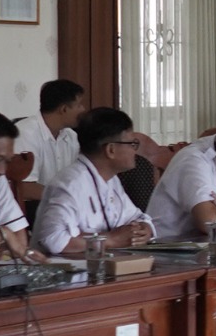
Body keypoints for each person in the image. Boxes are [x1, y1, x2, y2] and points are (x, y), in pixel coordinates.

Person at [32, 107, 156, 256]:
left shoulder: (111, 180)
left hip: (104, 265)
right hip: (63, 269)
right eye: (131, 144)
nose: (134, 150)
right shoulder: (71, 184)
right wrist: (110, 240)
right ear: (111, 150)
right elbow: (53, 239)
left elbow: (136, 217)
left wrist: (144, 229)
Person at [16, 78, 86, 208]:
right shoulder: (26, 133)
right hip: (31, 207)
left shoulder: (71, 136)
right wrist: (66, 196)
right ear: (64, 109)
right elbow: (24, 186)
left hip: (61, 205)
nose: (83, 109)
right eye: (79, 105)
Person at [0, 110, 44, 263]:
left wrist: (4, 246)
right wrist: (2, 233)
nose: (2, 171)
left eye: (7, 162)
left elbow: (19, 241)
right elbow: (10, 236)